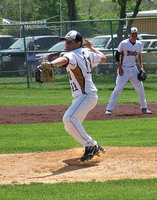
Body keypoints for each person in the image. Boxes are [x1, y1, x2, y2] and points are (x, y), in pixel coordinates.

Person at [49, 30, 106, 162]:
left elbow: (64, 59)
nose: (66, 43)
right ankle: (91, 145)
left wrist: (51, 64)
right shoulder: (87, 53)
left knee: (69, 119)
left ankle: (91, 145)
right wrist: (91, 48)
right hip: (85, 96)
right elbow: (103, 57)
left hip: (85, 95)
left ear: (78, 43)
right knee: (70, 125)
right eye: (66, 41)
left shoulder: (72, 54)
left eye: (70, 41)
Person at [105, 27, 152, 115]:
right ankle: (109, 109)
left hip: (133, 69)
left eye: (136, 34)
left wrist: (141, 68)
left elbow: (139, 56)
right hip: (124, 68)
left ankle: (144, 108)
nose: (134, 35)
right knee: (118, 88)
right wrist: (120, 68)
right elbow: (117, 55)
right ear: (129, 34)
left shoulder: (139, 44)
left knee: (140, 89)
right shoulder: (124, 43)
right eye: (132, 34)